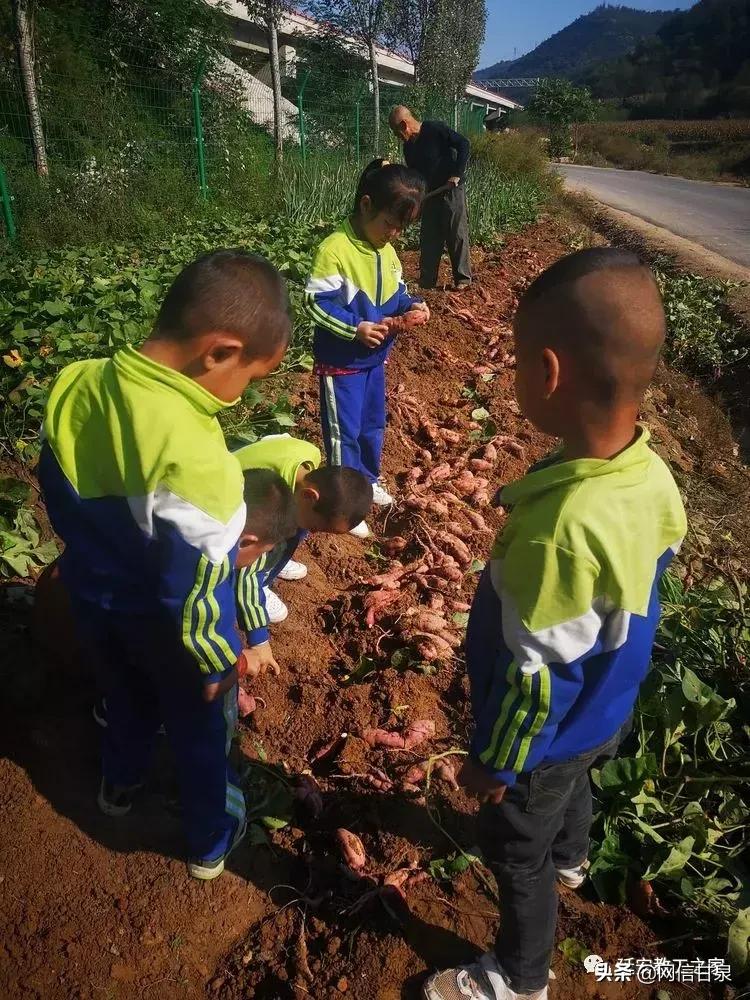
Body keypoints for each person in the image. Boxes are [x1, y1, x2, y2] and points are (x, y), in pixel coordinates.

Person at [424, 248, 687, 1000]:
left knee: (512, 849)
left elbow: (533, 679)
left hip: (548, 733)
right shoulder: (647, 471)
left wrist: (495, 765)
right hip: (609, 704)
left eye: (513, 363)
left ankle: (520, 975)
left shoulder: (561, 531)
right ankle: (573, 857)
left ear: (547, 374)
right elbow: (664, 555)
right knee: (573, 785)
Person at [38, 250, 291, 881]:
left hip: (93, 599)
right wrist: (215, 658)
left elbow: (56, 488)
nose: (246, 395)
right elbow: (197, 586)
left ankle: (117, 788)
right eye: (252, 378)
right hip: (163, 626)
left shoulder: (76, 381)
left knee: (122, 700)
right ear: (219, 352)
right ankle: (211, 840)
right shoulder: (201, 461)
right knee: (203, 732)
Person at [304, 158, 429, 519]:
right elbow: (315, 302)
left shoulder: (388, 253)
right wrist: (354, 328)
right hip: (341, 363)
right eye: (389, 224)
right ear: (366, 205)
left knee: (373, 424)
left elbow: (399, 293)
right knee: (345, 432)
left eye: (400, 229)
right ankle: (345, 504)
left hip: (374, 361)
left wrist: (415, 305)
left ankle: (368, 481)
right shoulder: (336, 249)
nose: (393, 234)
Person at [231, 435, 373, 675]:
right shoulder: (272, 498)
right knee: (254, 568)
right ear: (309, 496)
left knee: (298, 529)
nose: (315, 533)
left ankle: (269, 566)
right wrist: (259, 641)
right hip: (236, 514)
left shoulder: (308, 456)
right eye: (319, 527)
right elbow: (245, 574)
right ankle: (262, 576)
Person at [389, 105, 471, 291]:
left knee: (456, 233)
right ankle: (427, 281)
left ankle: (462, 279)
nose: (397, 137)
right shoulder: (408, 148)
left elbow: (463, 144)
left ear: (404, 124)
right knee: (429, 237)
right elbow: (415, 175)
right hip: (430, 195)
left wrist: (457, 173)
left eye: (396, 132)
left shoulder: (434, 129)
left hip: (451, 189)